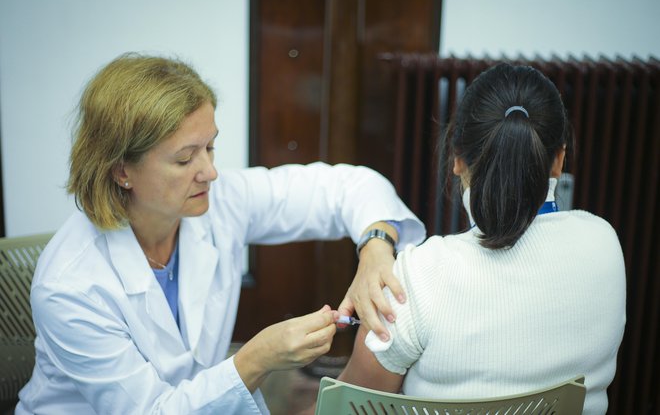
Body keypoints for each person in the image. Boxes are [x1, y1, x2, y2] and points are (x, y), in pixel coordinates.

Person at [15, 53, 425, 414]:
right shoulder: (70, 286)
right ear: (122, 171)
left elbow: (346, 187)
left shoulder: (217, 201)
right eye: (184, 159)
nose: (210, 172)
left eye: (210, 147)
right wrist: (256, 359)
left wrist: (376, 247)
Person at [335, 63, 626, 415]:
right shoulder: (604, 244)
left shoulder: (418, 277)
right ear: (559, 160)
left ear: (457, 159)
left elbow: (345, 407)